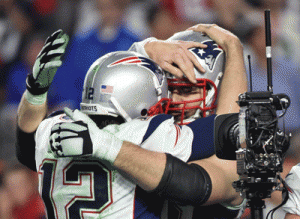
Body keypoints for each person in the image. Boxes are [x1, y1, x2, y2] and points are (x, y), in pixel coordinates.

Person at [17, 24, 247, 218]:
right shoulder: (148, 133)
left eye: (186, 91)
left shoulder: (61, 126)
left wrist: (143, 49)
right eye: (168, 89)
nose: (172, 100)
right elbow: (229, 126)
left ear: (222, 88)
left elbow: (27, 148)